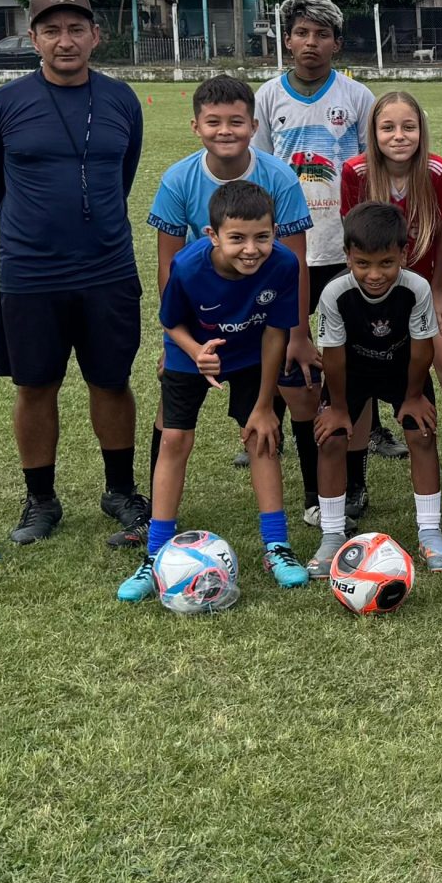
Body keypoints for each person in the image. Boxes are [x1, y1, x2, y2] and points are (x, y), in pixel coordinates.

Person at [0, 0, 148, 549]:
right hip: (31, 273)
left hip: (108, 269)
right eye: (51, 30)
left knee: (112, 381)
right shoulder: (1, 105)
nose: (64, 41)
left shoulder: (122, 101)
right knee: (35, 385)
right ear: (33, 37)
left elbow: (122, 179)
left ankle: (120, 490)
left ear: (96, 35)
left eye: (76, 29)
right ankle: (40, 498)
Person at [142, 75, 314, 542]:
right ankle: (154, 524)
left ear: (253, 125)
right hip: (197, 323)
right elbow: (168, 266)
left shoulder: (277, 176)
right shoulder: (178, 179)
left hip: (258, 323)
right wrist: (177, 341)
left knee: (283, 403)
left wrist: (298, 335)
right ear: (195, 126)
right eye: (213, 122)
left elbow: (293, 262)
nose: (225, 131)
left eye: (236, 121)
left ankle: (313, 506)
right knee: (172, 421)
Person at [119, 180, 304, 601]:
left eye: (262, 237)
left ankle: (277, 547)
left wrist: (263, 405)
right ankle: (155, 556)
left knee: (262, 437)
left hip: (253, 352)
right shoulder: (187, 266)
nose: (251, 249)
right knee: (175, 439)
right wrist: (195, 351)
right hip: (192, 350)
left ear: (275, 231)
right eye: (236, 238)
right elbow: (171, 323)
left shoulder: (284, 264)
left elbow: (277, 333)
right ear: (212, 235)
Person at [253, 0, 376, 529]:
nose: (311, 43)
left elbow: (375, 167)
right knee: (298, 370)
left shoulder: (357, 96)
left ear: (337, 43)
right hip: (285, 254)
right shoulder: (266, 97)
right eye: (302, 33)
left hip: (343, 250)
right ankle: (313, 488)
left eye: (321, 35)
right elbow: (257, 168)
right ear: (287, 39)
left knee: (350, 370)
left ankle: (355, 484)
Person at [308, 203, 442, 573]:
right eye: (363, 263)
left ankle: (430, 532)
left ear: (403, 253)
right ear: (348, 255)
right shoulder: (335, 293)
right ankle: (332, 534)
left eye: (386, 263)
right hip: (351, 372)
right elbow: (333, 357)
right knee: (332, 437)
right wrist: (337, 408)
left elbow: (422, 350)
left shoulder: (415, 288)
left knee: (422, 434)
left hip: (403, 370)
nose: (374, 274)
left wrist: (414, 397)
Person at [339, 90, 442, 469]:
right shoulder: (355, 172)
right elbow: (353, 239)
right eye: (387, 127)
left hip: (426, 288)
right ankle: (355, 481)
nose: (399, 136)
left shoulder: (437, 171)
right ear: (373, 133)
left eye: (408, 127)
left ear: (421, 131)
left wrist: (440, 290)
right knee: (355, 381)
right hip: (374, 292)